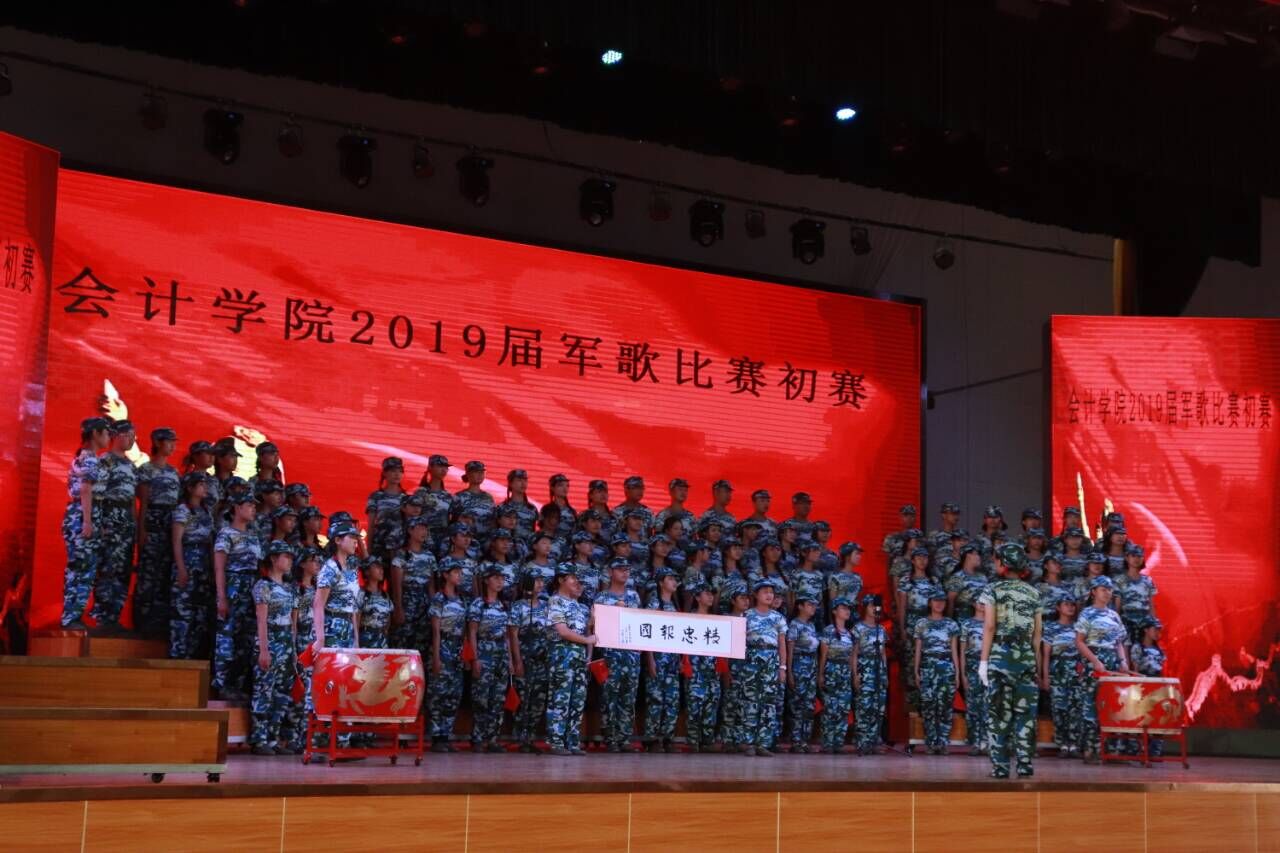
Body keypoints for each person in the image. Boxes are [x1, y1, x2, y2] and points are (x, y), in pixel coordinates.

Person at [979, 543, 1043, 778]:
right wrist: (1035, 664)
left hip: (1000, 658)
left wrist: (983, 662)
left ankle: (1001, 766)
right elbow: (1037, 634)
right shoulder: (1034, 593)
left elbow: (989, 626)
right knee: (1025, 715)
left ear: (1003, 563)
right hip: (1026, 659)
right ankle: (1024, 763)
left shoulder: (992, 590)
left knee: (999, 713)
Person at [1073, 575, 1132, 764]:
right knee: (1090, 706)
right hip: (1094, 662)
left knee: (1113, 706)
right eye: (1103, 589)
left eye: (1110, 590)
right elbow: (1079, 642)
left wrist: (1123, 662)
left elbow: (1119, 642)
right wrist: (1095, 661)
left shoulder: (1114, 615)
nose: (1107, 593)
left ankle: (1112, 751)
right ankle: (1090, 749)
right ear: (1093, 592)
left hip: (1112, 662)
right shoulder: (1087, 613)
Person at [212, 491, 264, 700]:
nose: (253, 509)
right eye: (249, 505)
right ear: (237, 508)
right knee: (227, 636)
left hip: (250, 589)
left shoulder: (253, 536)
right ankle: (223, 684)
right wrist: (222, 597)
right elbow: (219, 568)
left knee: (246, 638)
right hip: (233, 587)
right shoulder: (226, 534)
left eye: (254, 505)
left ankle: (237, 684)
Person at [61, 417, 111, 629]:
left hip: (84, 514)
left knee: (85, 567)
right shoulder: (89, 459)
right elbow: (86, 489)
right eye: (106, 433)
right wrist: (88, 522)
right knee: (81, 568)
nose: (108, 437)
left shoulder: (88, 458)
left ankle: (73, 616)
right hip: (82, 515)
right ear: (95, 434)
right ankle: (71, 618)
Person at [251, 540, 298, 755]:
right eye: (285, 556)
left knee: (281, 693)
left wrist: (294, 651)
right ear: (273, 558)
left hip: (286, 642)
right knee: (264, 690)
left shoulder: (289, 588)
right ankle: (259, 739)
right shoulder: (263, 586)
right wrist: (263, 649)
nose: (289, 561)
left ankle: (273, 738)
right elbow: (261, 620)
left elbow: (293, 621)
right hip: (270, 640)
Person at [134, 426, 180, 636]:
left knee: (164, 574)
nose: (172, 446)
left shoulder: (174, 472)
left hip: (169, 525)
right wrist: (142, 530)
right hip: (152, 522)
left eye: (173, 442)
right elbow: (143, 503)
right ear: (157, 443)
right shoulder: (146, 470)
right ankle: (142, 621)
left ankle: (159, 622)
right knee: (148, 574)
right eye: (168, 441)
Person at [545, 564, 595, 756]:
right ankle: (556, 742)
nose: (577, 583)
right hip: (562, 655)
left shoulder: (581, 606)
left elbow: (587, 632)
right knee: (560, 699)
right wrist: (587, 640)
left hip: (579, 657)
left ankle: (572, 741)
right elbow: (563, 631)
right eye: (573, 578)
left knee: (577, 700)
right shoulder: (555, 601)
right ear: (561, 580)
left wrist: (589, 655)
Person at [593, 558, 642, 753]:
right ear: (610, 572)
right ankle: (610, 738)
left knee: (628, 698)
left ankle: (625, 738)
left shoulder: (634, 596)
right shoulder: (602, 597)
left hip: (631, 654)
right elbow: (596, 625)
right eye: (620, 569)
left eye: (627, 569)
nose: (625, 573)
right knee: (609, 697)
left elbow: (639, 622)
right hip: (610, 654)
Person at [94, 419, 138, 632]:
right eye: (128, 435)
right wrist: (99, 523)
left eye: (133, 436)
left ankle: (114, 616)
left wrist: (134, 525)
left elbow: (132, 499)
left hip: (126, 522)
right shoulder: (105, 461)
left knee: (123, 569)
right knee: (107, 568)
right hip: (109, 519)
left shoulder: (131, 466)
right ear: (115, 436)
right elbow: (97, 496)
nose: (131, 440)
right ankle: (102, 617)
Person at [169, 472, 215, 659]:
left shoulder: (206, 510)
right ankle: (177, 654)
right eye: (201, 484)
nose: (205, 488)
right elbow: (176, 541)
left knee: (200, 612)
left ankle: (191, 655)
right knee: (183, 610)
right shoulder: (182, 510)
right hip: (188, 560)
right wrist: (181, 568)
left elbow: (210, 540)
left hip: (203, 564)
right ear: (190, 488)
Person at [739, 578, 786, 756]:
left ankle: (763, 743)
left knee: (769, 702)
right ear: (756, 595)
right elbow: (738, 641)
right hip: (751, 659)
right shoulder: (746, 615)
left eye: (771, 592)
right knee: (750, 700)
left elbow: (782, 644)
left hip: (771, 660)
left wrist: (782, 667)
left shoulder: (778, 617)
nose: (769, 595)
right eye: (765, 592)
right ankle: (749, 742)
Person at [468, 565, 512, 753]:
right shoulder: (478, 604)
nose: (500, 582)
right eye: (496, 578)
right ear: (486, 580)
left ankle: (493, 738)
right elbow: (472, 632)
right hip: (484, 651)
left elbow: (508, 635)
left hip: (501, 652)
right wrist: (474, 658)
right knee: (481, 697)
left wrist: (510, 659)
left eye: (502, 578)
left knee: (498, 698)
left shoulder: (504, 605)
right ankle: (478, 738)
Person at [508, 568, 551, 753]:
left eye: (542, 580)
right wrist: (517, 661)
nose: (540, 584)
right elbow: (513, 635)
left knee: (538, 699)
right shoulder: (518, 606)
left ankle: (531, 737)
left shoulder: (546, 606)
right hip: (525, 657)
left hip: (542, 660)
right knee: (523, 698)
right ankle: (520, 737)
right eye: (536, 580)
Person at [914, 587, 959, 755]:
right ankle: (932, 742)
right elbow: (918, 649)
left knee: (945, 705)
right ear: (929, 603)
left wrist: (957, 672)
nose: (939, 604)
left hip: (946, 666)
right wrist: (916, 671)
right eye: (936, 601)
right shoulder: (921, 623)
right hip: (927, 666)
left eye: (942, 601)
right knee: (928, 705)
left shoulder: (951, 624)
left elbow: (954, 649)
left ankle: (943, 742)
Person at [1039, 590, 1083, 759]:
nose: (1070, 608)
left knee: (1075, 709)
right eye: (1066, 604)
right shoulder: (1051, 628)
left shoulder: (1078, 627)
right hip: (1057, 670)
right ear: (1058, 607)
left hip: (1075, 671)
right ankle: (1063, 744)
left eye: (1072, 605)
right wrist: (1045, 677)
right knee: (1059, 709)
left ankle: (1074, 744)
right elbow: (1046, 655)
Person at [428, 560, 467, 752]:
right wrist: (436, 657)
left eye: (461, 573)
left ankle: (446, 734)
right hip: (442, 645)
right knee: (438, 693)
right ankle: (436, 737)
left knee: (454, 693)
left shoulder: (461, 599)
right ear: (445, 575)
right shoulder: (439, 598)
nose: (459, 576)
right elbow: (435, 631)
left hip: (457, 649)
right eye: (455, 572)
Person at [643, 567, 682, 752]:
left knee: (672, 699)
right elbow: (647, 633)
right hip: (657, 658)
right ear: (660, 582)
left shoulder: (674, 605)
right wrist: (650, 660)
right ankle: (652, 739)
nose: (674, 582)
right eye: (670, 578)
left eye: (675, 579)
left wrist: (680, 658)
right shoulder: (653, 603)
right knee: (655, 698)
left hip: (672, 659)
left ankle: (668, 737)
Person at [287, 546, 322, 753]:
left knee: (312, 693)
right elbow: (293, 623)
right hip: (301, 645)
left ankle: (309, 737)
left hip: (315, 646)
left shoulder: (319, 589)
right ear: (302, 564)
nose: (316, 564)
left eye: (318, 561)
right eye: (312, 560)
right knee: (300, 692)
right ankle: (293, 737)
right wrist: (293, 650)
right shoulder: (296, 589)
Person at [389, 516, 436, 657]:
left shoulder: (429, 556)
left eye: (426, 529)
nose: (424, 532)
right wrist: (398, 608)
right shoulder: (402, 555)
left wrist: (433, 607)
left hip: (424, 604)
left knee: (422, 644)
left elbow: (431, 585)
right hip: (407, 601)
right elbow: (396, 585)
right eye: (420, 528)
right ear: (410, 530)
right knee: (403, 643)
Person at [683, 582, 722, 753]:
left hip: (712, 669)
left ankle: (707, 740)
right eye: (707, 594)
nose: (711, 597)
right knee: (694, 705)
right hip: (695, 668)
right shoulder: (688, 618)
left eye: (712, 594)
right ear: (698, 598)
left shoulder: (717, 619)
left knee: (711, 704)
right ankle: (693, 741)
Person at [818, 596, 857, 754]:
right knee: (830, 708)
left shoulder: (850, 633)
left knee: (843, 709)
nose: (847, 611)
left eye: (848, 609)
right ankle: (828, 742)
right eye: (843, 608)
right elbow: (823, 655)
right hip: (831, 670)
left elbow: (852, 657)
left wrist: (853, 675)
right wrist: (821, 674)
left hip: (845, 673)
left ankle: (838, 742)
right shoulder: (828, 631)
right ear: (834, 611)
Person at [852, 593, 889, 755]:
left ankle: (874, 741)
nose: (875, 608)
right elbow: (854, 654)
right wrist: (855, 674)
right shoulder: (858, 628)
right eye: (871, 605)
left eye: (876, 606)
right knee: (864, 706)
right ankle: (862, 742)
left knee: (878, 707)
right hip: (864, 668)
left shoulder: (881, 629)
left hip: (878, 669)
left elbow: (883, 653)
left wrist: (885, 673)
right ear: (865, 608)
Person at [716, 583, 751, 750]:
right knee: (729, 704)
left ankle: (740, 740)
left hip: (749, 669)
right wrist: (726, 671)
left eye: (747, 598)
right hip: (732, 667)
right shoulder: (726, 619)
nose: (746, 601)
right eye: (742, 598)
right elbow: (722, 648)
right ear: (733, 601)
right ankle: (727, 739)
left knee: (744, 705)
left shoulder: (751, 619)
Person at [785, 594, 821, 753]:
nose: (813, 608)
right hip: (798, 665)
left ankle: (805, 740)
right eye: (809, 604)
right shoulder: (795, 624)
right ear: (800, 606)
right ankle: (796, 741)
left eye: (814, 605)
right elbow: (790, 649)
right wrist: (790, 672)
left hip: (811, 666)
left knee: (809, 705)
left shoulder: (812, 625)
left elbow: (816, 650)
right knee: (797, 705)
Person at [1130, 616, 1167, 757]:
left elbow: (1163, 668)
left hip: (1158, 685)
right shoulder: (1138, 647)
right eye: (1154, 629)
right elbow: (1135, 669)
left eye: (1159, 630)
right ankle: (1138, 750)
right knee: (1141, 719)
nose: (1157, 632)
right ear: (1146, 630)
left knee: (1159, 718)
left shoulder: (1160, 649)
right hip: (1143, 686)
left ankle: (1155, 751)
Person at [958, 600, 990, 756]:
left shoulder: (992, 623)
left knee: (988, 706)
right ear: (973, 604)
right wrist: (963, 674)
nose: (982, 605)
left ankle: (987, 742)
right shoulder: (966, 624)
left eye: (985, 602)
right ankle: (975, 742)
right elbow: (962, 651)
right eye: (979, 602)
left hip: (989, 668)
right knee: (973, 707)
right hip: (972, 668)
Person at [366, 457, 407, 562]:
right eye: (393, 471)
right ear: (384, 473)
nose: (397, 474)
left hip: (398, 546)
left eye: (400, 471)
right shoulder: (376, 496)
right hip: (379, 545)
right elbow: (371, 525)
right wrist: (368, 549)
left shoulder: (406, 498)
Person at [1115, 544, 1158, 641]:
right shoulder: (1119, 580)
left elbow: (1151, 605)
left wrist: (1154, 624)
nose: (1136, 559)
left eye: (1139, 556)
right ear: (1127, 558)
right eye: (1133, 556)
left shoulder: (1148, 581)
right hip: (1126, 624)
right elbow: (1117, 606)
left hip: (1144, 625)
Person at [415, 454, 455, 541]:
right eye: (440, 466)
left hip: (443, 541)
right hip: (424, 539)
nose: (444, 470)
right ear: (430, 467)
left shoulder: (448, 496)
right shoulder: (421, 493)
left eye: (446, 467)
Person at [454, 460, 495, 538]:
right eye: (476, 472)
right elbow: (455, 521)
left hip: (486, 540)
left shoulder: (488, 497)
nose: (480, 474)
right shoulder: (459, 496)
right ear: (468, 474)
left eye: (482, 472)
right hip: (467, 539)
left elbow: (493, 521)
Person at [358, 557, 393, 649]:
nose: (381, 570)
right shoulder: (361, 594)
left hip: (382, 640)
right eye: (377, 567)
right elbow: (357, 620)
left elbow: (388, 619)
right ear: (367, 571)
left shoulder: (385, 595)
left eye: (381, 567)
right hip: (366, 640)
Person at [945, 545, 987, 621]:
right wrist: (950, 622)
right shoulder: (958, 577)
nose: (979, 557)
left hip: (980, 620)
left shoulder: (982, 577)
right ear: (967, 556)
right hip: (963, 620)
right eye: (976, 554)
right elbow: (950, 601)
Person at [791, 543, 826, 628]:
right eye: (814, 551)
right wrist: (792, 612)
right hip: (801, 613)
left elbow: (821, 596)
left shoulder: (820, 574)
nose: (817, 553)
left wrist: (822, 613)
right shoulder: (797, 573)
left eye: (818, 551)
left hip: (817, 613)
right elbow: (792, 595)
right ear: (804, 553)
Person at [498, 469, 539, 541]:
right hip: (508, 545)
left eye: (525, 480)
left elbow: (533, 531)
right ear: (510, 483)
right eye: (519, 480)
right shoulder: (502, 507)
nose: (523, 483)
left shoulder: (532, 508)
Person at [653, 478, 696, 545]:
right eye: (680, 489)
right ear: (671, 491)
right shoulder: (662, 516)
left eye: (685, 490)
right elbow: (658, 540)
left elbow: (694, 539)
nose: (683, 493)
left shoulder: (691, 516)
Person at [547, 473, 577, 541]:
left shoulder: (572, 511)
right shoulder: (547, 509)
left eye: (567, 485)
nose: (565, 488)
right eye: (560, 485)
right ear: (552, 488)